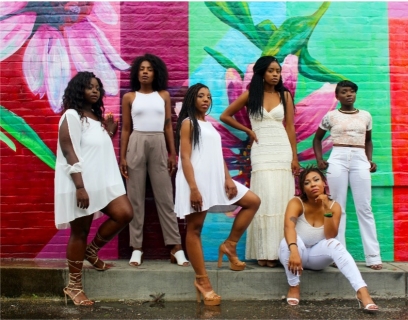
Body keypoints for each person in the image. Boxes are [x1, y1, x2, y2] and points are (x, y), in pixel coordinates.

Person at [175, 83, 261, 306]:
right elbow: (185, 158)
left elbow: (217, 155)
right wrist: (193, 188)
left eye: (208, 97)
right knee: (195, 229)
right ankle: (202, 281)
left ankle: (229, 245)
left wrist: (228, 178)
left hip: (217, 179)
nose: (206, 100)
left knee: (252, 201)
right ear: (191, 99)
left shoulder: (208, 124)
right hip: (196, 180)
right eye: (201, 96)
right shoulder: (188, 123)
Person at [55, 71, 133, 306]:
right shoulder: (71, 115)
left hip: (102, 182)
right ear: (79, 90)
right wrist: (80, 186)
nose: (95, 90)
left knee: (124, 213)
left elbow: (94, 147)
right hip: (82, 183)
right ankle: (74, 286)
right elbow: (70, 150)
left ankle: (92, 251)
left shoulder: (94, 118)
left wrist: (108, 131)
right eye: (89, 87)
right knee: (80, 232)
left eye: (97, 87)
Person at [220, 55, 299, 267]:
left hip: (281, 150)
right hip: (261, 150)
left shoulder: (285, 95)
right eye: (271, 70)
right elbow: (225, 116)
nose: (275, 74)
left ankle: (278, 253)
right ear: (262, 73)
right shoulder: (251, 95)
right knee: (264, 198)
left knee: (281, 200)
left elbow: (290, 127)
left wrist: (294, 158)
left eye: (278, 71)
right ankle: (263, 252)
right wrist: (247, 130)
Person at [120, 54, 188, 267]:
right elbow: (126, 129)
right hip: (136, 142)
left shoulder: (164, 95)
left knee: (165, 197)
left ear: (155, 72)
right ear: (136, 73)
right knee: (135, 199)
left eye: (149, 68)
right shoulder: (130, 97)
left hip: (159, 142)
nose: (145, 72)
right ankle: (137, 248)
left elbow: (169, 125)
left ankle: (175, 246)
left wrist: (172, 153)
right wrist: (122, 156)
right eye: (141, 68)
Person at [279, 166, 379, 312]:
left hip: (316, 257)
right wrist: (294, 251)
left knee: (335, 244)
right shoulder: (296, 203)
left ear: (324, 182)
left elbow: (330, 236)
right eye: (307, 183)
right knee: (288, 243)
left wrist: (327, 209)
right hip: (295, 253)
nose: (312, 184)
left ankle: (362, 292)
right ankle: (294, 285)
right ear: (303, 188)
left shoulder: (334, 206)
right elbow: (289, 228)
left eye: (316, 180)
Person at [313, 80, 382, 270]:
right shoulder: (331, 116)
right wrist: (320, 159)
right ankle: (338, 254)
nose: (349, 94)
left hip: (359, 158)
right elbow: (317, 139)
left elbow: (368, 141)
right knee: (337, 207)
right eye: (344, 92)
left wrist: (369, 160)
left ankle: (373, 256)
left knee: (365, 207)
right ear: (337, 96)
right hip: (338, 157)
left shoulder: (366, 116)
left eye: (352, 92)